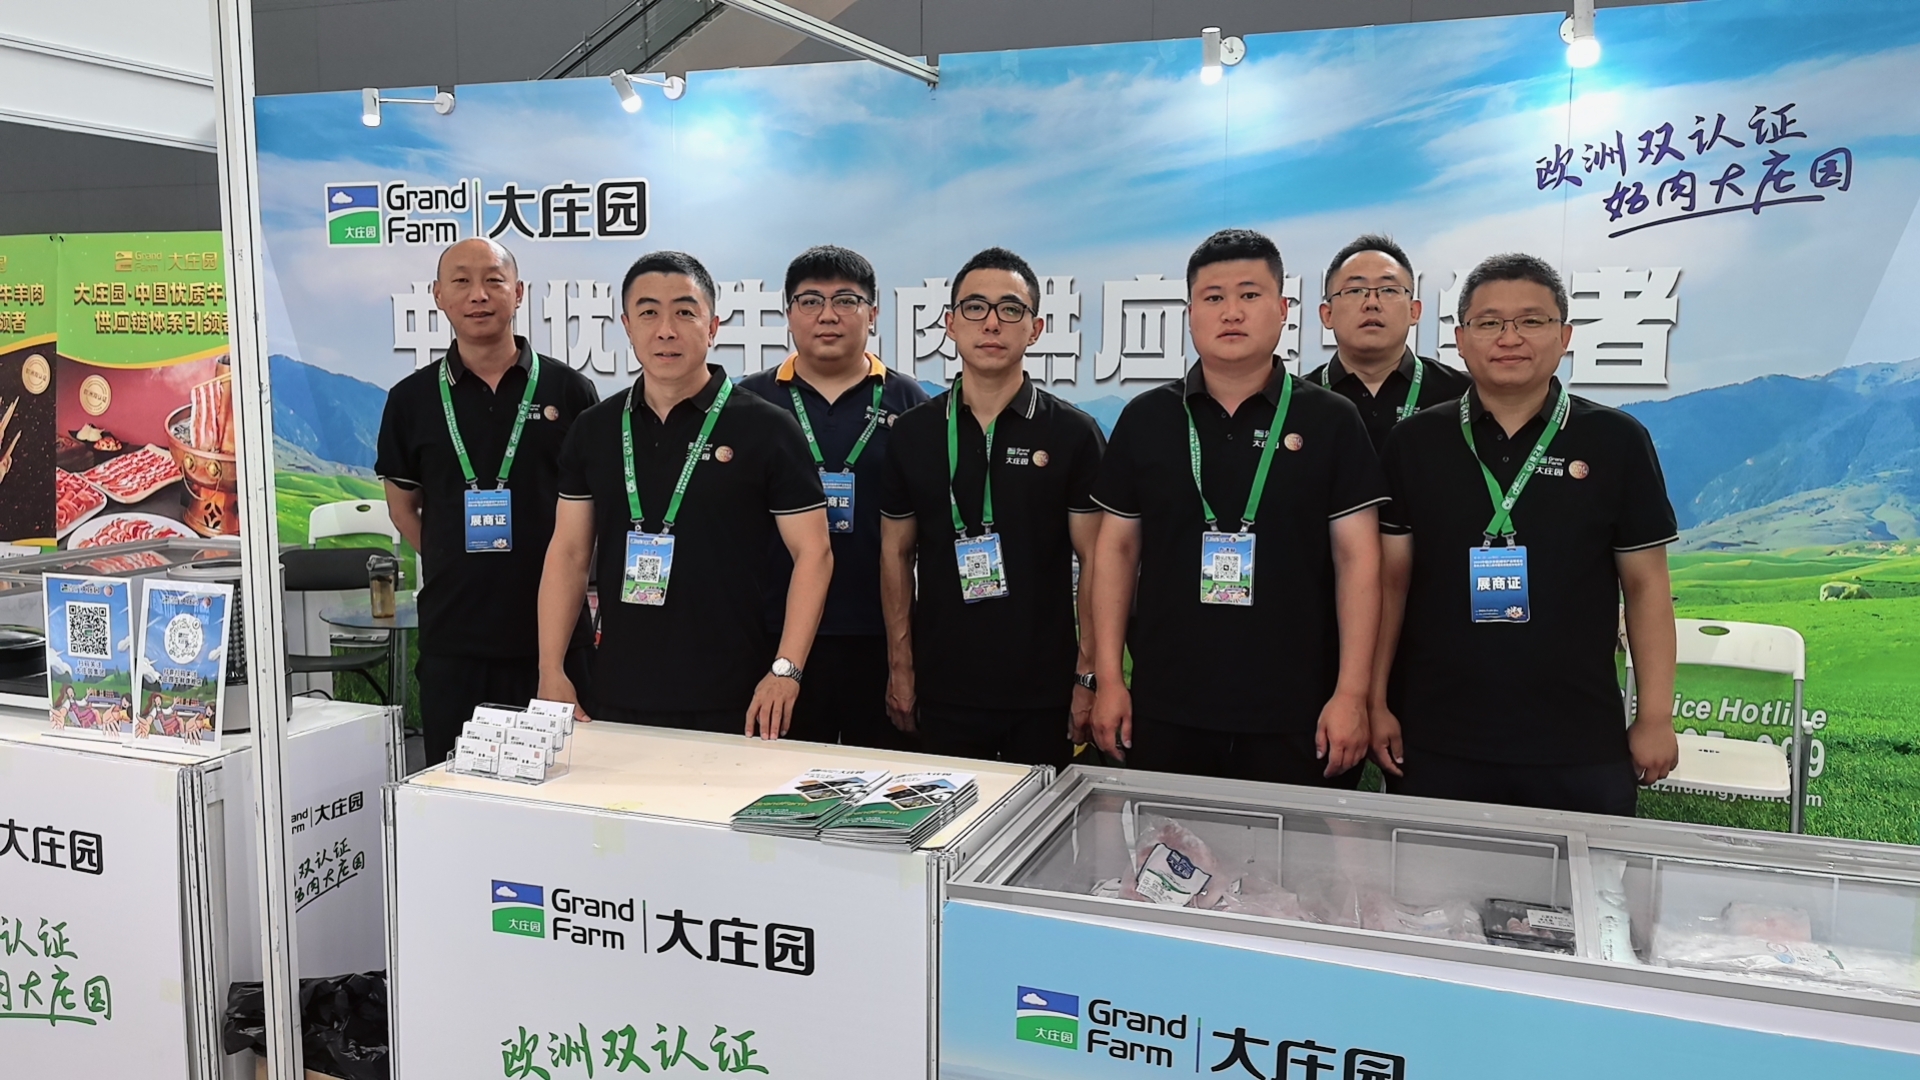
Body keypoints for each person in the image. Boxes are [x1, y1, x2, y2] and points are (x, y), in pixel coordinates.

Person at [1370, 253, 1679, 814]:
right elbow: (1391, 583)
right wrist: (1375, 700)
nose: (1509, 337)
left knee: (1583, 873)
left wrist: (1655, 716)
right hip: (1437, 735)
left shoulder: (1616, 441)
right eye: (1489, 322)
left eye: (1531, 321)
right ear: (1461, 340)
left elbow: (1647, 587)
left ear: (1565, 336)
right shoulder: (1414, 443)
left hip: (1579, 739)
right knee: (1433, 874)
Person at [1087, 228, 1386, 785]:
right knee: (1167, 841)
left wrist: (1351, 693)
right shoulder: (1147, 418)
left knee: (1297, 844)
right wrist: (1108, 680)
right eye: (1213, 297)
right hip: (1168, 702)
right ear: (1190, 314)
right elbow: (1116, 552)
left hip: (1299, 708)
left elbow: (1359, 561)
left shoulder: (1331, 420)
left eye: (1250, 294)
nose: (1231, 312)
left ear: (1283, 309)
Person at [537, 251, 832, 737]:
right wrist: (551, 668)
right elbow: (568, 552)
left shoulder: (767, 428)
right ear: (627, 326)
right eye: (648, 312)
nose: (666, 330)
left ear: (712, 326)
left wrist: (786, 669)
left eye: (685, 312)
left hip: (738, 694)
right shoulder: (594, 429)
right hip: (617, 689)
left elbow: (814, 552)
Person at [878, 247, 1105, 767]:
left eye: (1011, 309)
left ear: (1036, 328)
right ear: (950, 323)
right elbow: (895, 554)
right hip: (942, 685)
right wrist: (901, 666)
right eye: (975, 307)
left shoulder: (1072, 433)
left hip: (1044, 688)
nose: (992, 323)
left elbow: (1096, 560)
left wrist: (1088, 674)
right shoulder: (914, 433)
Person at [376, 237, 599, 766]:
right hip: (456, 637)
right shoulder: (411, 400)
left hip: (555, 640)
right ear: (438, 296)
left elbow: (592, 512)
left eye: (494, 280)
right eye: (461, 281)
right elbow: (402, 508)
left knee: (569, 785)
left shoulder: (569, 391)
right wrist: (453, 557)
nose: (478, 294)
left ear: (518, 293)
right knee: (455, 786)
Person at [738, 246, 930, 749]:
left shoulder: (910, 404)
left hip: (880, 635)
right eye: (810, 301)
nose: (827, 315)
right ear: (788, 313)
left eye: (846, 300)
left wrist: (905, 654)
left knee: (883, 783)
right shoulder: (749, 404)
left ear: (873, 313)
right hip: (772, 635)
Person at [1304, 234, 1472, 453]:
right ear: (1327, 315)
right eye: (1355, 290)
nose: (1372, 303)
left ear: (1414, 311)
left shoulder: (1464, 395)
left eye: (1388, 290)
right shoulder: (1294, 404)